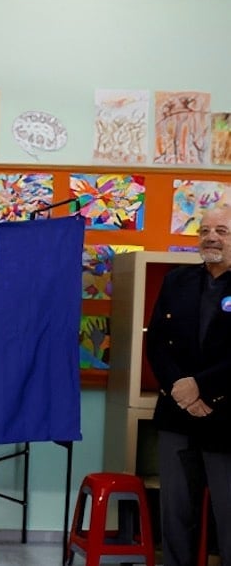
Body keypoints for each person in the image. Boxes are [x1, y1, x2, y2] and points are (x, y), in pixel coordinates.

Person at [148, 203, 231, 566]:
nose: (211, 237)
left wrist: (201, 387)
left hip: (226, 418)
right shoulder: (176, 281)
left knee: (228, 517)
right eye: (204, 231)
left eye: (222, 231)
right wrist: (182, 391)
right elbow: (156, 342)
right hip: (178, 415)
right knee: (176, 514)